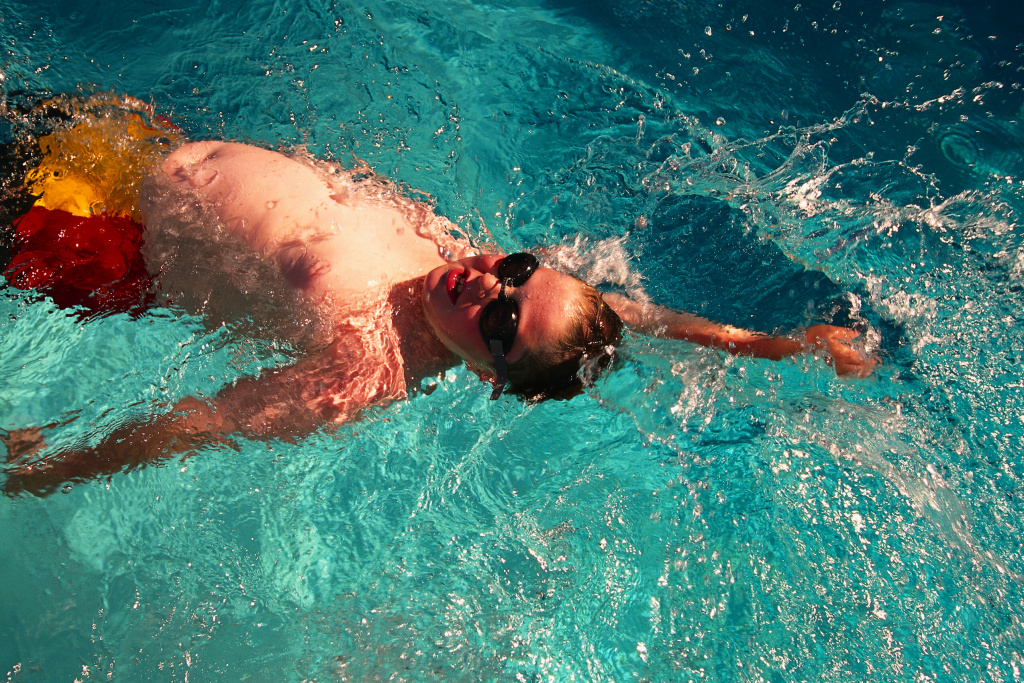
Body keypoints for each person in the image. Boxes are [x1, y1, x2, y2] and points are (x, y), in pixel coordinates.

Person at [1, 117, 876, 495]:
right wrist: (778, 344)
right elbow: (636, 316)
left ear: (490, 376)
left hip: (102, 246)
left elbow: (205, 420)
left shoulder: (363, 368)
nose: (489, 287)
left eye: (501, 325)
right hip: (133, 148)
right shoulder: (462, 265)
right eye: (516, 273)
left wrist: (53, 466)